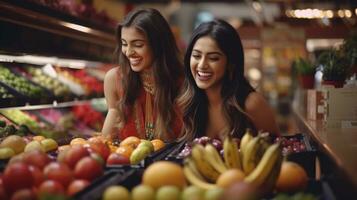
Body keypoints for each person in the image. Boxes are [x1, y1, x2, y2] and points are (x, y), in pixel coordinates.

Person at [179, 19, 280, 140]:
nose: (201, 65)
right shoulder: (188, 104)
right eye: (196, 56)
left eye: (213, 58)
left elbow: (278, 149)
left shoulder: (251, 104)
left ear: (231, 63)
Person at [101, 8, 184, 141]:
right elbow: (105, 140)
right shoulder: (114, 79)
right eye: (124, 44)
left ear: (158, 45)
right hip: (128, 159)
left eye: (138, 45)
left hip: (170, 161)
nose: (128, 52)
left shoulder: (184, 83)